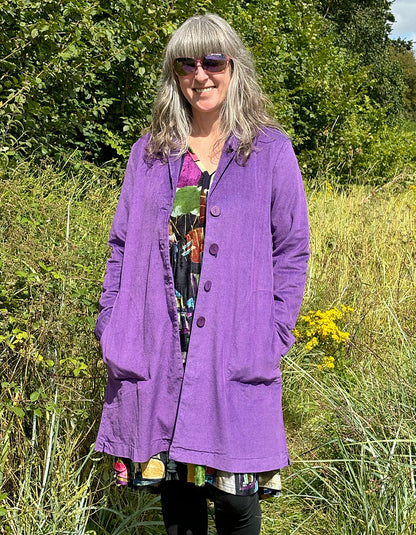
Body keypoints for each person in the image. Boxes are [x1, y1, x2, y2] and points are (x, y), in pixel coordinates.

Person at [94, 13, 309, 535]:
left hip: (235, 343)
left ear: (233, 68)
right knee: (179, 500)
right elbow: (122, 244)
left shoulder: (269, 150)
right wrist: (110, 323)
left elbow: (292, 249)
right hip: (161, 342)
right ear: (174, 74)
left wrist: (274, 333)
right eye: (186, 63)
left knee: (236, 501)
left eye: (213, 61)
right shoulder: (150, 152)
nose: (201, 74)